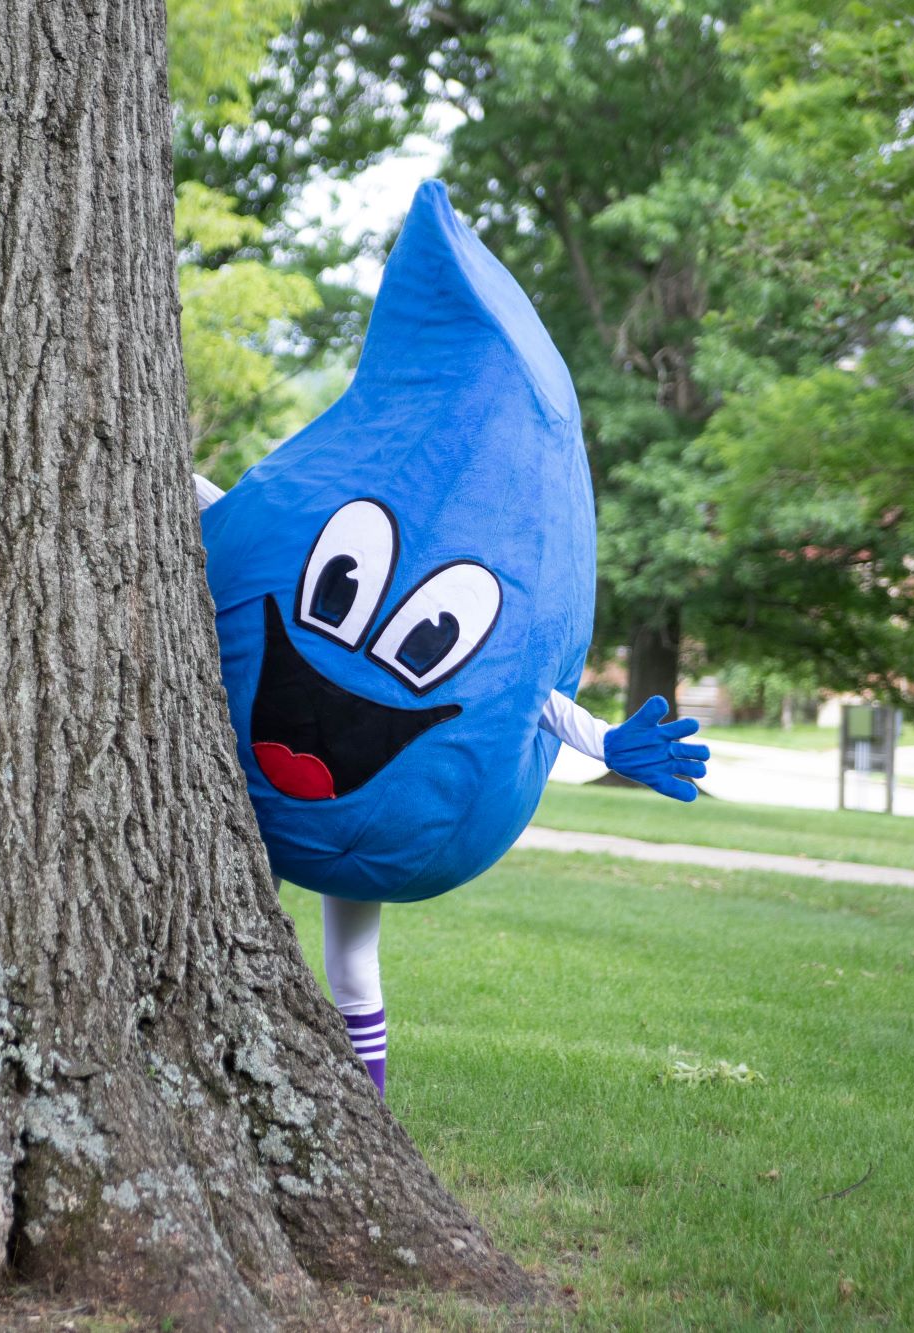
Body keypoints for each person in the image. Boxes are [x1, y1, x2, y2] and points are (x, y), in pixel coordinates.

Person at [193, 182, 707, 1096]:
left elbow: (523, 693)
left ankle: (368, 1117)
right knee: (251, 917)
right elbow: (247, 522)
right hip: (267, 801)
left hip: (371, 819)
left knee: (348, 962)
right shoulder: (315, 514)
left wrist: (612, 746)